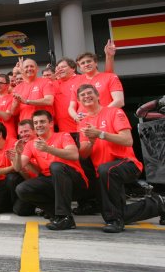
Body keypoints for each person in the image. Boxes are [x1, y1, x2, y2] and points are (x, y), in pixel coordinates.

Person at [77, 84, 165, 232]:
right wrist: (91, 142)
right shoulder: (83, 122)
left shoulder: (114, 112)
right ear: (79, 101)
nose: (86, 97)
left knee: (108, 173)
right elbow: (84, 154)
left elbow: (127, 140)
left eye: (89, 93)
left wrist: (100, 134)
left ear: (98, 96)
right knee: (118, 210)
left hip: (127, 164)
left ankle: (115, 221)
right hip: (105, 173)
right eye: (82, 96)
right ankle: (158, 204)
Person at [15, 110, 88, 230]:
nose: (39, 125)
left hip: (74, 182)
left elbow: (74, 155)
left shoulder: (63, 135)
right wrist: (18, 154)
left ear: (51, 124)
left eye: (42, 121)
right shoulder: (31, 144)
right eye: (36, 122)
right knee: (22, 189)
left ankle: (65, 217)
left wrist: (48, 149)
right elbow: (18, 167)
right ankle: (56, 214)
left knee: (56, 166)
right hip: (52, 182)